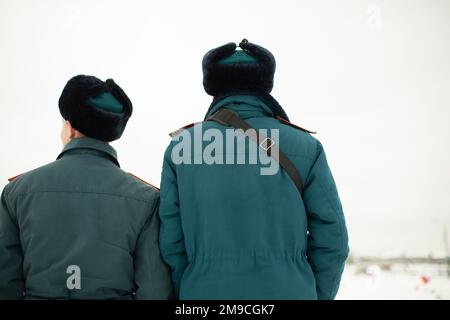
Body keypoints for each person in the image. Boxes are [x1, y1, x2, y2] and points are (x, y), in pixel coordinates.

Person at [159, 40, 349, 299]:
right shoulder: (306, 147)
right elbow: (333, 238)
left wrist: (193, 287)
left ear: (213, 89)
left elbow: (171, 242)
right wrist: (311, 293)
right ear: (265, 85)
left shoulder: (180, 149)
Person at [0, 75, 173, 299]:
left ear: (70, 129)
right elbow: (154, 289)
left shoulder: (17, 192)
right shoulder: (146, 198)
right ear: (111, 133)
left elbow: (5, 282)